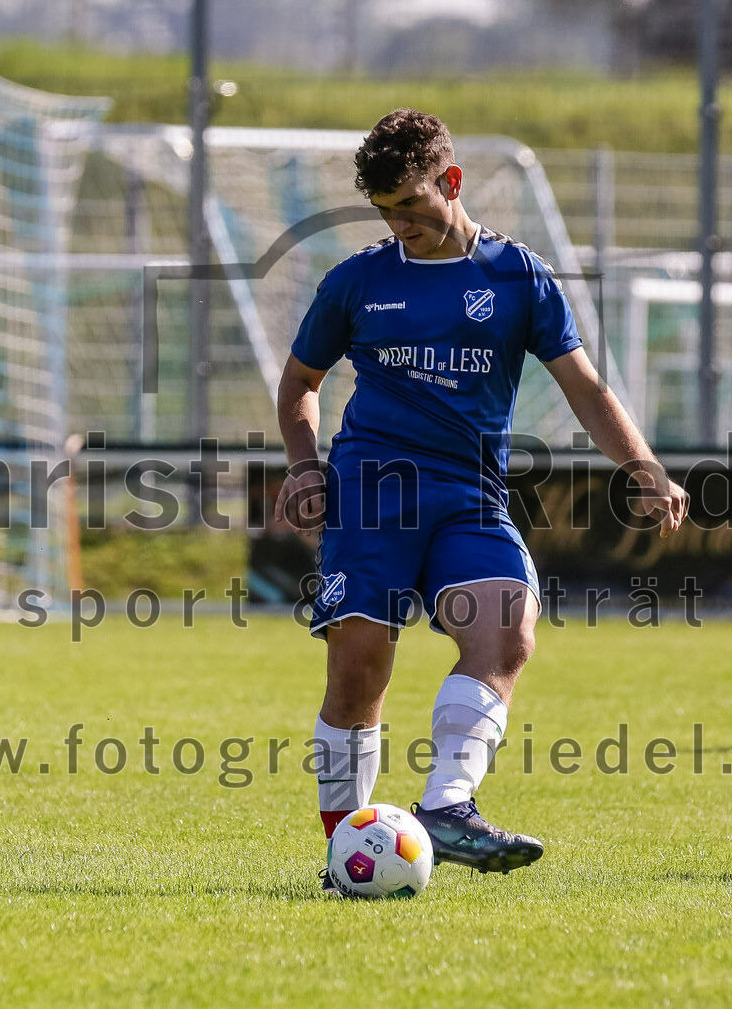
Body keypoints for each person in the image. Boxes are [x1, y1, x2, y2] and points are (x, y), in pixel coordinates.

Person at [274, 109, 689, 892]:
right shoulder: (357, 280)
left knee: (506, 628)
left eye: (411, 206)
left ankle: (446, 806)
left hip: (468, 493)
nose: (400, 225)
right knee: (359, 667)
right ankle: (344, 853)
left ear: (451, 183)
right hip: (372, 492)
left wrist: (642, 465)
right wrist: (302, 467)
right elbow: (300, 383)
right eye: (385, 212)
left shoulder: (516, 277)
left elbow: (584, 386)